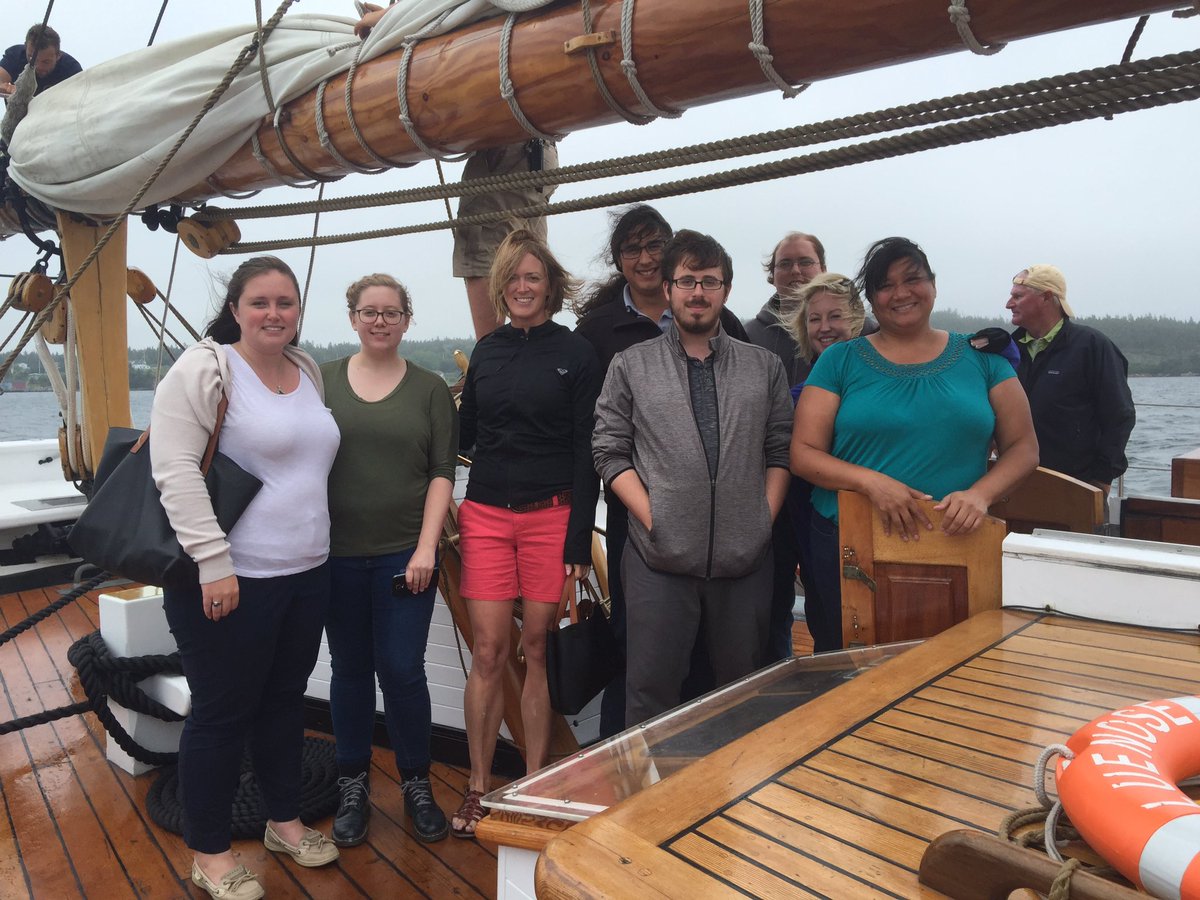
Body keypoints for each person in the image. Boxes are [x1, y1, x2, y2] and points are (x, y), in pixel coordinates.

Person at [150, 257, 341, 900]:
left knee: (284, 704)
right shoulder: (206, 368)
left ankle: (284, 821)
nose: (273, 313)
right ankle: (208, 850)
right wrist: (214, 563)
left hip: (306, 571)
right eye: (260, 302)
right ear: (236, 307)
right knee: (222, 714)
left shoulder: (306, 370)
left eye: (285, 302)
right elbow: (174, 469)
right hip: (232, 578)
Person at [791, 237, 1039, 651]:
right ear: (871, 300)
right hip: (850, 543)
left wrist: (981, 495)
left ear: (933, 285)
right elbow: (803, 454)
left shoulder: (983, 357)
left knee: (959, 668)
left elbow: (1024, 448)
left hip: (956, 543)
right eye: (886, 286)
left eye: (913, 279)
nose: (901, 293)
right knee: (847, 669)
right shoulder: (840, 360)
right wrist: (872, 483)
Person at [592, 229, 793, 727]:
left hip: (744, 564)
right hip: (656, 562)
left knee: (740, 698)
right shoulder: (630, 365)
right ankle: (649, 805)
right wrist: (653, 516)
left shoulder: (762, 366)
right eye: (687, 281)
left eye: (710, 281)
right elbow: (608, 449)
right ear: (668, 290)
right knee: (649, 699)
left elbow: (779, 450)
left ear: (725, 290)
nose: (697, 292)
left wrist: (761, 518)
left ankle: (729, 802)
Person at [573, 204, 750, 737]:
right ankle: (623, 752)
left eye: (655, 246)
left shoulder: (720, 321)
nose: (645, 258)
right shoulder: (600, 331)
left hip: (718, 519)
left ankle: (695, 748)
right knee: (639, 636)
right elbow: (592, 438)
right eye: (633, 248)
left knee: (707, 638)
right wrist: (580, 533)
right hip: (638, 510)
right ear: (619, 261)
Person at [453, 229, 601, 837]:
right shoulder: (486, 353)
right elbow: (463, 439)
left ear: (550, 288)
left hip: (551, 517)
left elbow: (585, 453)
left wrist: (577, 547)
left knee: (535, 648)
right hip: (485, 515)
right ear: (501, 287)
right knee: (488, 651)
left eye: (532, 277)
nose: (521, 287)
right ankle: (478, 786)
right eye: (512, 277)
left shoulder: (576, 354)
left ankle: (534, 784)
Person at [321, 274, 458, 847]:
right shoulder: (318, 381)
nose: (380, 321)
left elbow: (442, 473)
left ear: (407, 320)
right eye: (369, 312)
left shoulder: (429, 389)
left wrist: (427, 547)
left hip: (406, 555)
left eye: (392, 312)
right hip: (333, 557)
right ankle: (354, 784)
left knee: (402, 670)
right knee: (350, 671)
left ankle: (415, 783)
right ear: (352, 317)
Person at [353, 4, 557, 343]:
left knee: (485, 245)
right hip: (532, 146)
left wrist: (401, 22)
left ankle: (496, 364)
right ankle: (532, 364)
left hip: (510, 148)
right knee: (527, 259)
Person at [744, 232, 827, 662]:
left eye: (805, 262)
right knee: (771, 599)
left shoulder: (859, 332)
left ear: (822, 267)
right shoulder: (746, 335)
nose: (795, 271)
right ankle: (774, 686)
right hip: (769, 487)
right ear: (771, 274)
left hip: (830, 490)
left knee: (828, 595)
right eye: (785, 263)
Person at [778, 273, 866, 652]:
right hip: (812, 524)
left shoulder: (876, 379)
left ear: (858, 318)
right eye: (815, 319)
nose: (825, 327)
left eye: (835, 316)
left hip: (869, 520)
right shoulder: (798, 392)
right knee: (828, 626)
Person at [1007, 264, 1135, 493]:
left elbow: (1119, 415)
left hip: (1077, 482)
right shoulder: (1008, 349)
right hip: (1013, 481)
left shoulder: (1092, 346)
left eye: (1017, 296)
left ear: (1046, 297)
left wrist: (1102, 479)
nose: (1008, 304)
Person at [0, 24, 81, 97]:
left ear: (58, 56)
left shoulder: (71, 69)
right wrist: (5, 87)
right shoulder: (15, 56)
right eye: (32, 59)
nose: (38, 66)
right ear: (25, 48)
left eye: (46, 62)